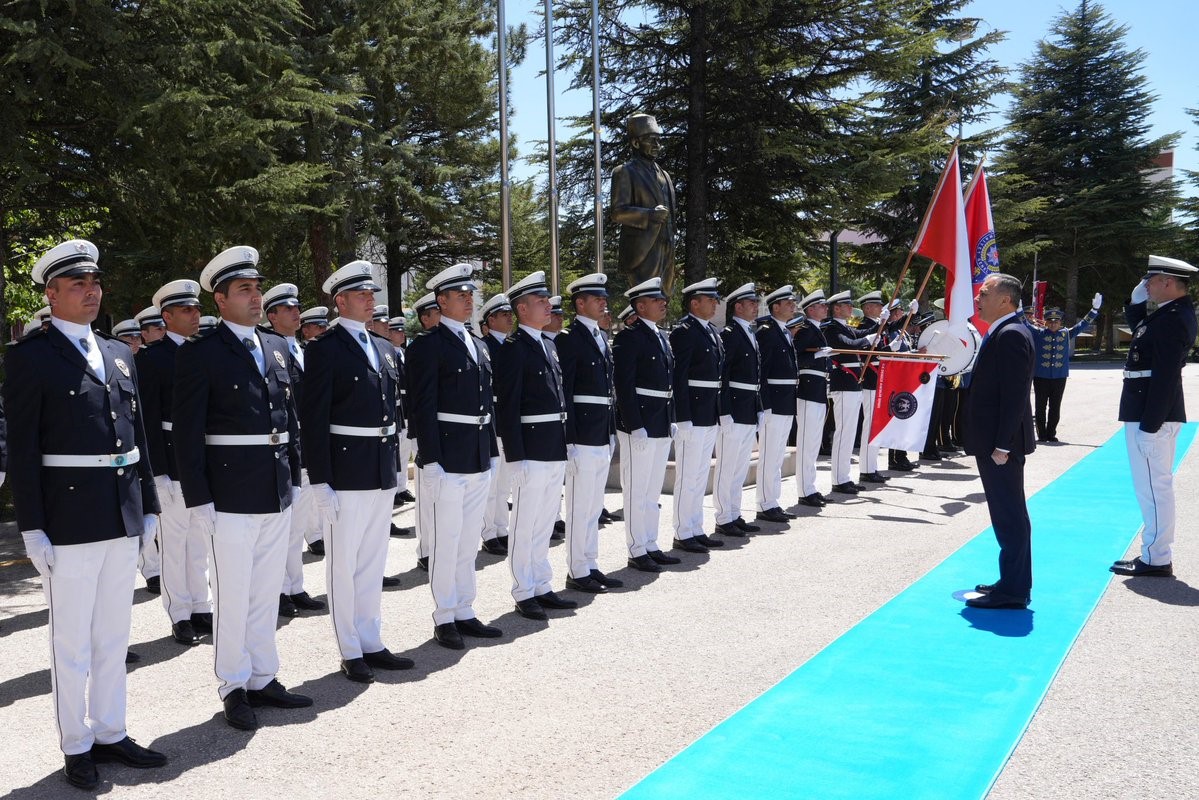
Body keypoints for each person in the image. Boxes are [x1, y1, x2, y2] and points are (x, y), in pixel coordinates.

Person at [7, 240, 167, 789]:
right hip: (68, 516)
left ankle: (111, 731)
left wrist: (148, 505)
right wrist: (33, 525)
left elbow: (138, 435)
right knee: (71, 641)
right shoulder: (29, 356)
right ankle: (76, 744)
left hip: (120, 512)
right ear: (50, 294)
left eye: (95, 282)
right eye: (77, 283)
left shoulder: (119, 354)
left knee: (112, 635)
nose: (91, 290)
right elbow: (23, 449)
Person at [173, 245, 313, 728]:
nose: (255, 298)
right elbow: (188, 433)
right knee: (232, 593)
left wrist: (293, 477)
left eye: (257, 288)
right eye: (244, 290)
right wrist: (200, 497)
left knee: (265, 589)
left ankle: (263, 676)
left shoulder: (274, 347)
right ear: (220, 299)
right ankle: (234, 685)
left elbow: (288, 419)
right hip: (228, 493)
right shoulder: (202, 353)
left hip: (273, 488)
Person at [301, 260, 413, 682]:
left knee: (372, 560)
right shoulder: (324, 349)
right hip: (345, 470)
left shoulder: (384, 348)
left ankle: (372, 640)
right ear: (340, 301)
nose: (371, 301)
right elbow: (314, 419)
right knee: (344, 563)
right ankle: (350, 648)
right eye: (362, 295)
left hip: (379, 467)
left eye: (372, 295)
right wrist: (320, 479)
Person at [406, 263, 504, 649]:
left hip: (478, 451)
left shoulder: (477, 344)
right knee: (446, 540)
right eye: (460, 296)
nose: (468, 301)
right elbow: (422, 405)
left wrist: (492, 449)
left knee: (467, 540)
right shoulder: (428, 346)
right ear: (441, 301)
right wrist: (430, 461)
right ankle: (444, 615)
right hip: (448, 454)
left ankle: (465, 608)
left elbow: (486, 402)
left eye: (470, 295)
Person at [494, 271, 577, 619]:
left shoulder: (548, 344)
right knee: (525, 523)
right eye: (541, 302)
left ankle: (542, 584)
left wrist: (566, 442)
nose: (549, 307)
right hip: (530, 447)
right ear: (522, 309)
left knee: (544, 521)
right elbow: (507, 405)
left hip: (552, 445)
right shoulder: (514, 349)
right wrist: (516, 456)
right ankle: (523, 589)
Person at [138, 278, 215, 645]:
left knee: (200, 539)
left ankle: (201, 605)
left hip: (203, 459)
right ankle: (180, 613)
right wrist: (160, 473)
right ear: (166, 316)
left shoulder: (205, 351)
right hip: (171, 459)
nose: (195, 314)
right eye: (187, 309)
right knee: (174, 540)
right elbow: (148, 421)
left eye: (197, 308)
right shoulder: (152, 359)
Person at [1111, 255, 1198, 578]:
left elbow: (1165, 376)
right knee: (1149, 485)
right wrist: (1134, 305)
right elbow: (1142, 335)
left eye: (1151, 280)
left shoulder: (1175, 318)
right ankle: (1154, 551)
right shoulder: (1168, 314)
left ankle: (1157, 557)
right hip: (1144, 407)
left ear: (1168, 282)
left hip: (1151, 412)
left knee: (1153, 487)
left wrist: (1150, 425)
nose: (1146, 285)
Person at [964, 273, 1036, 610]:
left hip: (1001, 445)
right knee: (1004, 512)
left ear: (1005, 300)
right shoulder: (1005, 330)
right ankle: (1010, 580)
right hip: (995, 441)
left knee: (1009, 513)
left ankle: (1015, 590)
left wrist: (1003, 445)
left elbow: (1015, 395)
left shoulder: (1011, 334)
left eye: (985, 292)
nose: (978, 297)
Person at [262, 282, 326, 616]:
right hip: (282, 447)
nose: (296, 313)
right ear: (271, 316)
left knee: (298, 523)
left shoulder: (305, 348)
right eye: (288, 309)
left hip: (306, 446)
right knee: (281, 527)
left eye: (297, 307)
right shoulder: (269, 349)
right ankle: (278, 591)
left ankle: (294, 585)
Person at [558, 273, 625, 593]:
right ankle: (577, 569)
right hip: (582, 433)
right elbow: (566, 392)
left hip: (601, 430)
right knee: (580, 504)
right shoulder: (569, 339)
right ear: (579, 303)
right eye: (596, 298)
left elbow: (608, 390)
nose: (603, 302)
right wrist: (569, 438)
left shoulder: (600, 336)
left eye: (604, 298)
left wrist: (611, 431)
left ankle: (591, 563)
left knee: (594, 504)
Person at [613, 277, 682, 571]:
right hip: (640, 421)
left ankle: (651, 543)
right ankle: (636, 548)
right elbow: (624, 385)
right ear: (640, 306)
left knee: (652, 490)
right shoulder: (629, 338)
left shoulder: (660, 336)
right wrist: (633, 423)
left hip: (660, 419)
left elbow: (669, 383)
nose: (663, 304)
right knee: (637, 490)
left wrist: (672, 419)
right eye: (656, 301)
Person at [669, 278, 727, 552]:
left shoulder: (712, 332)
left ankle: (695, 527)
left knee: (700, 474)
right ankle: (683, 532)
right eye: (710, 299)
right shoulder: (684, 331)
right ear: (695, 303)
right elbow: (679, 377)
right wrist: (683, 417)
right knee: (687, 475)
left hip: (708, 412)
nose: (715, 303)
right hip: (692, 412)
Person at [713, 283, 763, 537]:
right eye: (751, 303)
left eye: (756, 303)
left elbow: (755, 376)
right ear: (738, 306)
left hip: (748, 409)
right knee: (727, 465)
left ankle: (734, 512)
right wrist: (724, 411)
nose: (756, 307)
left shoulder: (749, 333)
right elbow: (723, 375)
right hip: (733, 408)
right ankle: (723, 517)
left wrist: (759, 408)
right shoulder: (730, 334)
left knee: (740, 466)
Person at [610, 113, 677, 294]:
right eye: (651, 140)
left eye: (658, 140)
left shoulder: (665, 175)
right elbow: (617, 212)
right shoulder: (625, 172)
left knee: (664, 297)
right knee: (646, 299)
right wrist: (649, 215)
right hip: (643, 251)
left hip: (667, 249)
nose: (657, 145)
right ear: (636, 143)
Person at [822, 291, 879, 495]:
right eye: (847, 305)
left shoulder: (844, 327)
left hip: (853, 384)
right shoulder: (831, 328)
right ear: (836, 308)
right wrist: (871, 336)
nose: (850, 308)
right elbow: (848, 345)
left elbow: (861, 336)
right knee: (844, 433)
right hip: (843, 384)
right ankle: (839, 479)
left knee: (849, 432)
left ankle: (844, 477)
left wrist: (885, 322)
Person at [1024, 296, 1101, 442]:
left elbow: (1083, 325)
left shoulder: (1066, 333)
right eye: (1050, 322)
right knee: (1040, 407)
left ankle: (1051, 433)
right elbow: (1025, 324)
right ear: (1045, 322)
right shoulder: (1039, 333)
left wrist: (1094, 310)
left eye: (1056, 321)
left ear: (1060, 322)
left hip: (1059, 376)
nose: (1053, 324)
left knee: (1055, 406)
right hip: (1041, 376)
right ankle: (1042, 434)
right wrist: (1018, 311)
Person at [755, 285, 800, 522]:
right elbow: (761, 371)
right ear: (775, 307)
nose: (793, 306)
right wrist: (765, 404)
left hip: (785, 401)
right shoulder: (767, 331)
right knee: (769, 455)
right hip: (773, 401)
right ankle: (765, 504)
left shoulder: (781, 330)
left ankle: (772, 501)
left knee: (777, 455)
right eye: (788, 303)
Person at [479, 292, 515, 557]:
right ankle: (488, 533)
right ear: (490, 320)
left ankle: (501, 528)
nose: (509, 319)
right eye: (503, 315)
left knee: (505, 483)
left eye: (510, 314)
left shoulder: (512, 346)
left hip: (509, 422)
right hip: (493, 420)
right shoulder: (484, 346)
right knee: (491, 484)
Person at [791, 290, 834, 507]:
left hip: (819, 389)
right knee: (807, 443)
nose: (826, 308)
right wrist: (817, 355)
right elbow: (796, 357)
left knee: (814, 443)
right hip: (808, 390)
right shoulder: (806, 330)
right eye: (822, 306)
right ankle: (804, 490)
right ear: (810, 310)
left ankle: (811, 487)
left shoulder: (817, 330)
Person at [387, 316, 416, 507]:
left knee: (405, 451)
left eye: (402, 330)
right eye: (397, 331)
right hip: (398, 406)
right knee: (397, 452)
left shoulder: (404, 353)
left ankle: (402, 486)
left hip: (407, 407)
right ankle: (395, 489)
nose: (401, 334)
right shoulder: (390, 353)